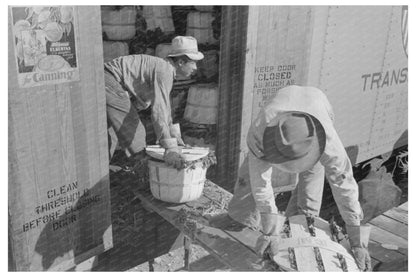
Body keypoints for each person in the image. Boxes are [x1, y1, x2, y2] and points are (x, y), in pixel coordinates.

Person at [227, 85, 371, 271]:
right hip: (284, 106)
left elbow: (344, 185)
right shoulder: (260, 131)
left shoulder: (327, 141)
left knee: (310, 189)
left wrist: (357, 241)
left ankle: (303, 229)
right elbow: (261, 184)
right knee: (248, 180)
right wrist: (270, 231)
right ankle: (239, 222)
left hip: (318, 106)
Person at [104, 36, 204, 169]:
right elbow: (159, 110)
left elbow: (166, 110)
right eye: (193, 63)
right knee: (134, 128)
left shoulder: (164, 68)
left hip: (107, 79)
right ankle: (143, 171)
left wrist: (175, 138)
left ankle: (102, 172)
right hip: (111, 80)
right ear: (180, 62)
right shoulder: (164, 71)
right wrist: (170, 148)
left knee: (110, 134)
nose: (196, 68)